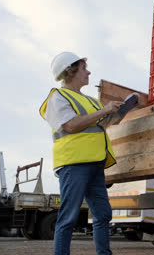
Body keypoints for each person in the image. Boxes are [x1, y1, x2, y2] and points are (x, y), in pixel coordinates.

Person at [39, 52, 137, 255]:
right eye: (84, 68)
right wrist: (105, 110)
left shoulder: (91, 102)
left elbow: (104, 123)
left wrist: (122, 110)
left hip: (95, 163)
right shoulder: (58, 97)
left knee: (103, 214)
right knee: (68, 217)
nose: (89, 71)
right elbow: (71, 125)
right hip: (73, 164)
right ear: (70, 70)